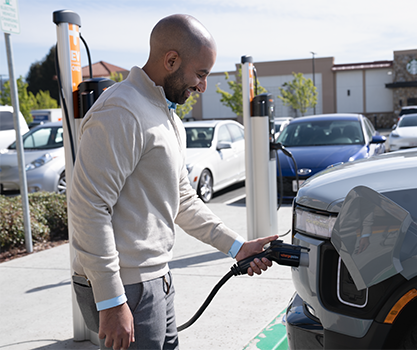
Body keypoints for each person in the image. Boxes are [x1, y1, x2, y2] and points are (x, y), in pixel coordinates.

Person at [69, 14, 277, 350]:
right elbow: (88, 207)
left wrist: (238, 247)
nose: (202, 85)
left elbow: (183, 199)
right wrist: (110, 300)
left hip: (155, 279)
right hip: (126, 287)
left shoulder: (166, 117)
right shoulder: (121, 111)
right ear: (171, 60)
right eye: (200, 74)